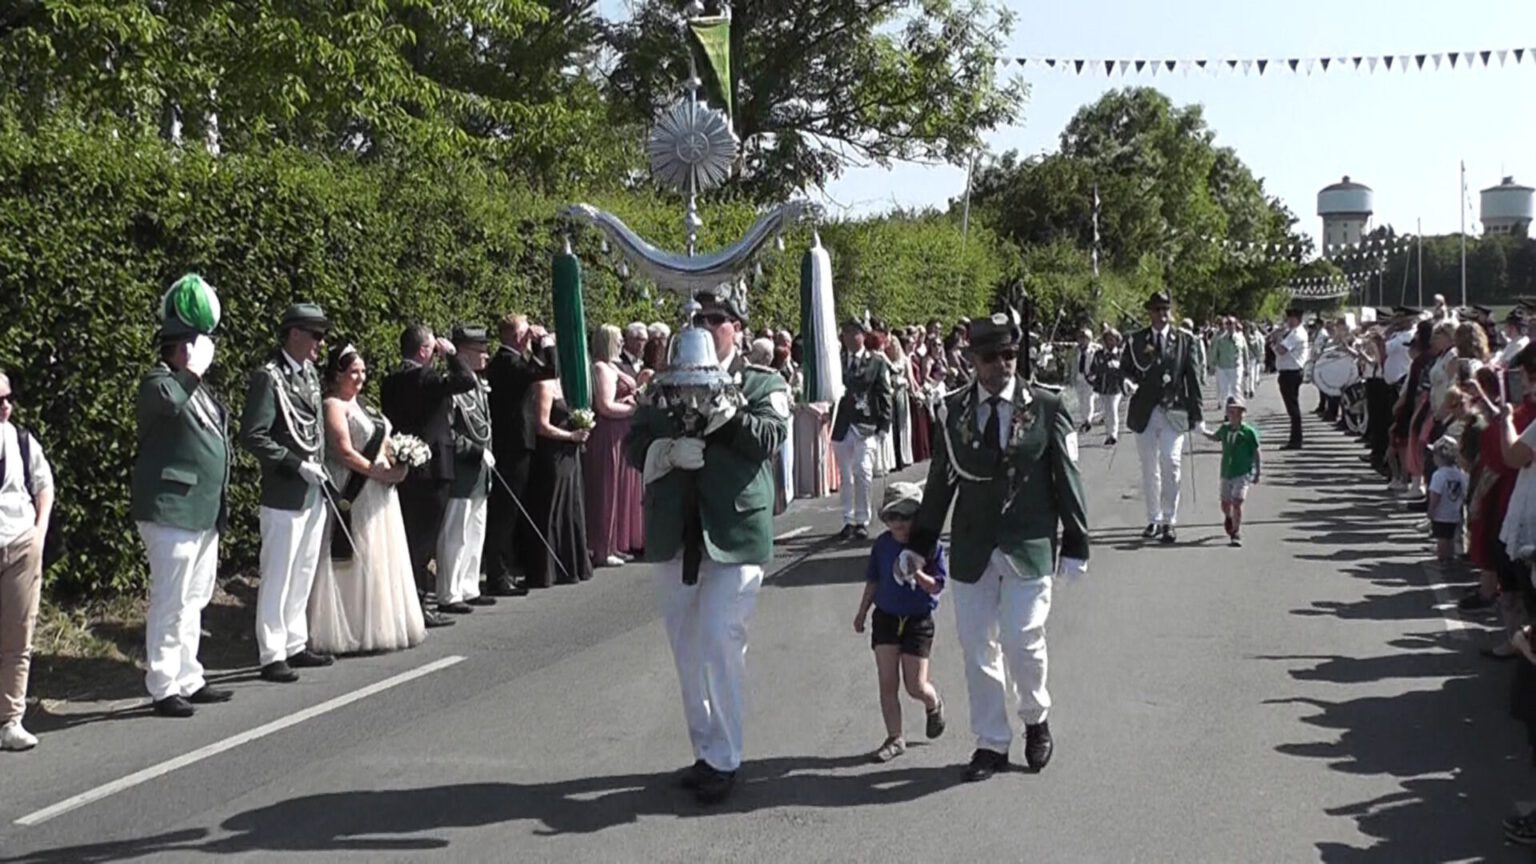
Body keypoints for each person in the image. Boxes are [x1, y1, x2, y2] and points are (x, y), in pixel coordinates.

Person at [907, 310, 1090, 782]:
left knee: (1022, 638)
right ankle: (991, 740)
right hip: (972, 547)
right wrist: (920, 543)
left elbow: (1067, 476)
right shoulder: (953, 410)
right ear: (972, 359)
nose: (1002, 365)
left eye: (1010, 354)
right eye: (991, 356)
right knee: (976, 646)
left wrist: (1077, 540)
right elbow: (940, 485)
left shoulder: (1048, 406)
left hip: (1028, 544)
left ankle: (1035, 718)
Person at [626, 288, 791, 805]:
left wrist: (727, 412)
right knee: (687, 649)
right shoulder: (664, 384)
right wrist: (667, 451)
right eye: (699, 318)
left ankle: (726, 757)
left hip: (733, 533)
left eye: (717, 319)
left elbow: (769, 437)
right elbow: (634, 443)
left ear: (737, 328)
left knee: (722, 640)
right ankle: (705, 749)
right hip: (677, 530)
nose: (707, 325)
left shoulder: (761, 381)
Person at [131, 275, 233, 718]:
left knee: (195, 599)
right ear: (179, 349)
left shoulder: (196, 388)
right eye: (194, 345)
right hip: (171, 509)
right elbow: (168, 405)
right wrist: (191, 373)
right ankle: (162, 683)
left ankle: (189, 675)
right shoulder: (159, 383)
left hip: (201, 511)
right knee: (171, 600)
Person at [306, 342, 427, 654]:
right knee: (356, 554)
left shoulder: (367, 406)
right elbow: (343, 452)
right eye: (352, 372)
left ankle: (382, 623)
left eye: (362, 371)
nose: (359, 378)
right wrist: (378, 474)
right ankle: (352, 626)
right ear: (337, 374)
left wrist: (400, 462)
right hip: (354, 489)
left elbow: (384, 442)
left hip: (380, 492)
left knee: (380, 554)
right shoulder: (333, 405)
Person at [240, 303, 337, 683]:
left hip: (311, 491)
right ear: (294, 333)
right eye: (315, 335)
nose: (320, 343)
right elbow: (254, 434)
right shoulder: (270, 377)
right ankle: (272, 650)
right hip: (284, 491)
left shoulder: (309, 375)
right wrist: (295, 464)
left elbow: (312, 430)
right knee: (279, 572)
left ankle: (295, 641)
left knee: (304, 569)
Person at [380, 324, 477, 624]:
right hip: (433, 467)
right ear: (424, 351)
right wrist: (451, 354)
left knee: (410, 535)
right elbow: (466, 381)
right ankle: (419, 603)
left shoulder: (390, 381)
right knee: (424, 541)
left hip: (405, 463)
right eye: (432, 349)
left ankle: (411, 600)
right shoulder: (427, 377)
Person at [853, 481, 947, 763]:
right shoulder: (882, 545)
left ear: (916, 518)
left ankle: (933, 703)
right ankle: (895, 738)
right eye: (892, 517)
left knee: (914, 685)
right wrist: (862, 612)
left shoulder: (930, 547)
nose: (898, 523)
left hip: (918, 620)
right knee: (887, 682)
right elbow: (873, 580)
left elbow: (936, 587)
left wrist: (917, 573)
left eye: (904, 517)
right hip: (886, 618)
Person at [1122, 291, 1204, 544]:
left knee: (1171, 463)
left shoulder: (1184, 341)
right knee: (1149, 468)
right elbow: (1126, 369)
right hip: (1145, 410)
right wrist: (1126, 381)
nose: (1161, 314)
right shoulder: (1136, 340)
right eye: (1156, 309)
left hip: (1174, 410)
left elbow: (1193, 378)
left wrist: (1197, 415)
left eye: (1165, 309)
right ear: (1149, 312)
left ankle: (1170, 519)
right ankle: (1154, 518)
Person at [0, 372, 53, 750]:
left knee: (19, 636)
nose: (5, 405)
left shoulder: (20, 439)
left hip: (20, 544)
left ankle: (10, 720)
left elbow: (43, 484)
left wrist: (39, 532)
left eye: (8, 397)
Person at [519, 336, 593, 588]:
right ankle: (546, 568)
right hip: (552, 452)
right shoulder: (544, 385)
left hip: (568, 453)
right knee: (551, 507)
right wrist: (570, 435)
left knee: (570, 506)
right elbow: (542, 425)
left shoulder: (562, 383)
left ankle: (571, 563)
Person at [435, 326, 498, 612]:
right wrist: (476, 452)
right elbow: (450, 432)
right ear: (462, 353)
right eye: (478, 350)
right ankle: (449, 592)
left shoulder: (478, 385)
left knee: (476, 530)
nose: (485, 355)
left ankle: (469, 586)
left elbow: (484, 427)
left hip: (480, 472)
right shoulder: (454, 387)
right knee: (456, 533)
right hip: (462, 469)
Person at [482, 314, 540, 598]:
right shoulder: (507, 362)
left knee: (510, 512)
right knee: (504, 513)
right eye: (526, 332)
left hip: (516, 444)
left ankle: (503, 569)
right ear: (518, 336)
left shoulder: (512, 361)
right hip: (511, 445)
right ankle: (498, 574)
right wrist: (545, 343)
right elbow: (544, 370)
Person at [585, 324, 643, 568]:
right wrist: (635, 408)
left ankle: (617, 543)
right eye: (619, 339)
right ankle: (602, 547)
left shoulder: (613, 367)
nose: (622, 343)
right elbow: (606, 406)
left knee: (620, 489)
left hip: (622, 431)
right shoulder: (601, 368)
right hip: (609, 432)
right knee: (607, 490)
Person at [831, 319, 892, 541]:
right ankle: (848, 520)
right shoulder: (835, 362)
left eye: (853, 333)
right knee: (846, 476)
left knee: (863, 471)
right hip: (842, 425)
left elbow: (884, 393)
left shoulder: (875, 362)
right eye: (845, 333)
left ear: (862, 336)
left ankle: (862, 520)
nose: (848, 338)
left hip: (866, 424)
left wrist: (884, 424)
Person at [1200, 396, 1261, 547]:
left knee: (1237, 502)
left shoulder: (1248, 432)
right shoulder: (1225, 429)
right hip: (1226, 471)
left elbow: (1255, 452)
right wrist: (1201, 431)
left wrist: (1257, 471)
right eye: (1231, 412)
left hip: (1242, 472)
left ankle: (1236, 532)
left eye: (1237, 412)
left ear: (1242, 413)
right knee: (1225, 503)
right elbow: (1215, 437)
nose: (1234, 415)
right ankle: (1228, 517)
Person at [1272, 308, 1310, 450]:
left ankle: (1296, 440)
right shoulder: (1293, 333)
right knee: (1292, 408)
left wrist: (1276, 340)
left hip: (1291, 373)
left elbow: (1282, 350)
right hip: (1288, 372)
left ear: (1296, 319)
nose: (1288, 321)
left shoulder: (1296, 333)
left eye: (1290, 318)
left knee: (1293, 409)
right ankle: (1295, 438)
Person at [1427, 436, 1468, 566]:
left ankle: (1442, 558)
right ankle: (1450, 557)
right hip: (1454, 512)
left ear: (1440, 457)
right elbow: (1464, 492)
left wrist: (1431, 510)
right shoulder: (1459, 474)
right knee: (1450, 536)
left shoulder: (1438, 475)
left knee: (1441, 538)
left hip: (1441, 513)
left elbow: (1436, 495)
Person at [1089, 328, 1126, 445]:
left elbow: (1125, 369)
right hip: (1103, 386)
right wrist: (1103, 367)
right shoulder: (1099, 354)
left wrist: (1117, 367)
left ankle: (1113, 434)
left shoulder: (1120, 354)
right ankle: (1108, 432)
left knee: (1113, 408)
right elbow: (1093, 369)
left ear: (1117, 340)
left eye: (1112, 339)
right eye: (1107, 339)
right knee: (1107, 410)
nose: (1110, 342)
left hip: (1116, 387)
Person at [1210, 317, 1247, 406]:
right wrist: (1212, 365)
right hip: (1223, 367)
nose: (1229, 326)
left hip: (1236, 366)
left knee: (1236, 387)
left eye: (1231, 324)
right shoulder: (1220, 339)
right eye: (1228, 324)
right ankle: (1227, 412)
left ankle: (1239, 407)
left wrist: (1247, 366)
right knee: (1224, 390)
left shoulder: (1240, 338)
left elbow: (1245, 352)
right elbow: (1215, 352)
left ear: (1235, 325)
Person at [1071, 329, 1100, 433]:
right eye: (1081, 338)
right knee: (1081, 400)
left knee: (1088, 399)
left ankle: (1088, 420)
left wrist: (1095, 374)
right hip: (1079, 377)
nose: (1082, 340)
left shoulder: (1095, 349)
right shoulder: (1076, 350)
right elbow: (1073, 364)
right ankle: (1084, 419)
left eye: (1085, 338)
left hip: (1090, 377)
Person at [1245, 322, 1264, 398]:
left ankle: (1248, 389)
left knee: (1247, 374)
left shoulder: (1245, 336)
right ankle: (1250, 389)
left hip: (1249, 356)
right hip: (1252, 356)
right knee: (1251, 373)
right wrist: (1261, 354)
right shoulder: (1258, 336)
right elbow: (1261, 345)